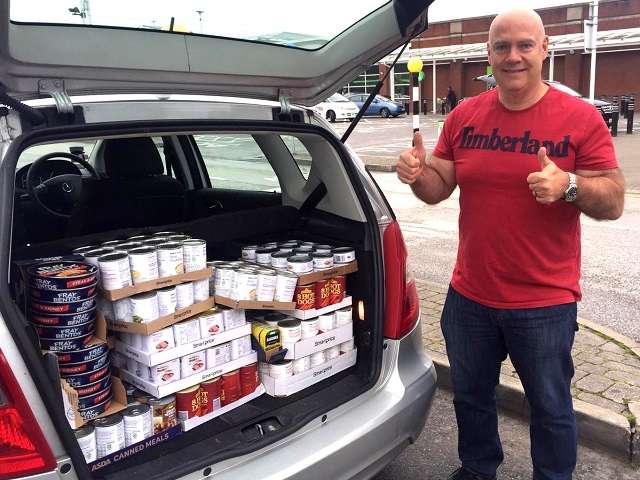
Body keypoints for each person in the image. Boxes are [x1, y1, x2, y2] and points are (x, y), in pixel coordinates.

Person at [396, 7, 625, 480]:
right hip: (469, 296)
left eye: (525, 45)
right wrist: (419, 176)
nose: (513, 56)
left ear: (545, 49)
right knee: (471, 398)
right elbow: (440, 186)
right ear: (489, 53)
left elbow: (615, 200)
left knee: (551, 408)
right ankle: (479, 470)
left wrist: (570, 186)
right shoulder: (466, 115)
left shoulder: (580, 118)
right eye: (502, 46)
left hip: (544, 300)